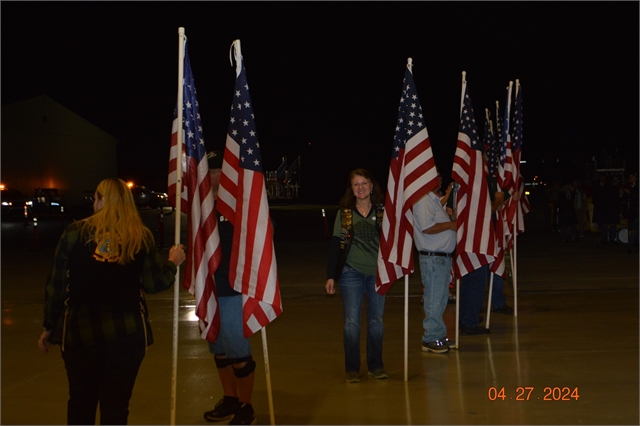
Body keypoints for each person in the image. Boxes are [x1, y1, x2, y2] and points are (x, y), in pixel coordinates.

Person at [37, 178, 186, 425]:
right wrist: (172, 263)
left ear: (103, 200)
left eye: (96, 198)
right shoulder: (140, 236)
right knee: (116, 406)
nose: (94, 203)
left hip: (80, 334)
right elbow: (154, 284)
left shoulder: (73, 234)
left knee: (80, 403)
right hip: (126, 335)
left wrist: (49, 326)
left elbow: (56, 286)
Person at [203, 152, 258, 425]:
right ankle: (230, 399)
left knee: (239, 352)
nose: (212, 175)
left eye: (216, 171)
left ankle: (246, 405)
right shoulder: (202, 208)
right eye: (210, 171)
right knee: (219, 350)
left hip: (234, 289)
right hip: (210, 289)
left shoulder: (238, 205)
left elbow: (262, 232)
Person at [325, 168, 387, 382]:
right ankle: (352, 368)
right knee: (351, 323)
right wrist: (331, 275)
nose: (360, 188)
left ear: (371, 186)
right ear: (351, 189)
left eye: (364, 183)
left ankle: (376, 365)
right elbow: (336, 245)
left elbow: (392, 242)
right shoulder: (345, 214)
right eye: (356, 184)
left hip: (377, 275)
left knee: (376, 322)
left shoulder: (382, 213)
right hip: (351, 274)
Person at [413, 172, 457, 352]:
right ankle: (430, 338)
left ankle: (438, 335)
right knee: (433, 299)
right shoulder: (423, 200)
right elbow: (426, 227)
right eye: (435, 176)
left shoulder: (433, 200)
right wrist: (451, 225)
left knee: (440, 300)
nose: (439, 179)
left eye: (440, 176)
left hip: (440, 258)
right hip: (433, 258)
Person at [593, 175, 620, 244]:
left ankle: (604, 239)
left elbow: (598, 200)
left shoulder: (602, 189)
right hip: (611, 209)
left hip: (605, 209)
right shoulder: (614, 189)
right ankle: (612, 239)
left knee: (605, 225)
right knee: (612, 224)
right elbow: (617, 200)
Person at [621, 172, 639, 253]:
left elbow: (636, 198)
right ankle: (634, 245)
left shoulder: (637, 187)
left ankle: (631, 246)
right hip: (630, 211)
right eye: (630, 177)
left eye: (632, 177)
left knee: (634, 229)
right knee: (632, 228)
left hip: (636, 210)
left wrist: (630, 193)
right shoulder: (628, 186)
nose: (630, 178)